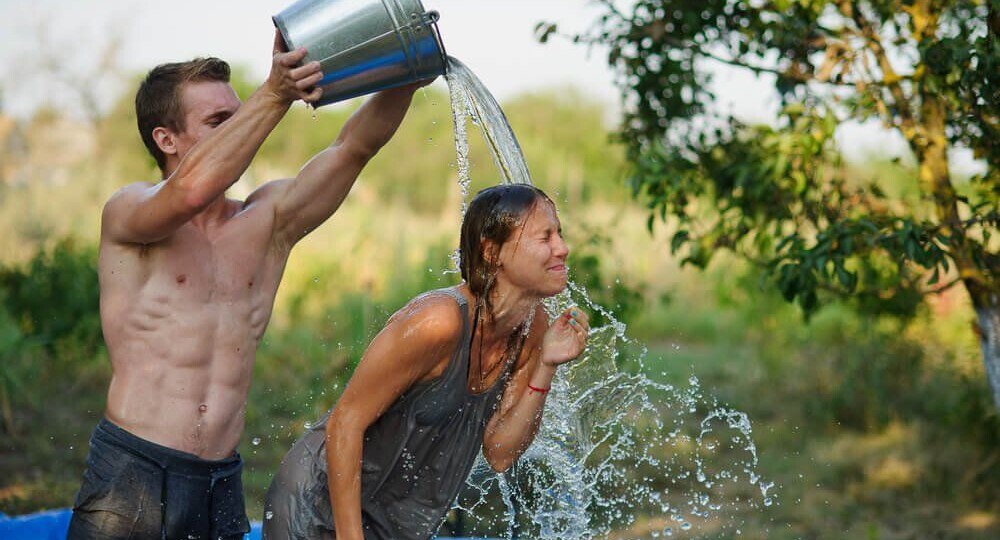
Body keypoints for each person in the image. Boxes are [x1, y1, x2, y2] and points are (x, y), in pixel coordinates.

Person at [67, 31, 432, 540]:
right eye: (220, 122)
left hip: (219, 481)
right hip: (133, 472)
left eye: (240, 116)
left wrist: (409, 71)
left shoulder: (269, 220)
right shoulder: (130, 213)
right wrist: (275, 93)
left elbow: (354, 147)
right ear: (165, 140)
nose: (242, 128)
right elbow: (190, 190)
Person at [262, 184, 591, 540]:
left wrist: (546, 366)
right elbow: (345, 422)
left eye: (560, 234)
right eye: (545, 237)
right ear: (492, 251)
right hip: (318, 506)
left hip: (392, 521)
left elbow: (500, 453)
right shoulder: (438, 323)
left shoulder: (532, 329)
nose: (562, 248)